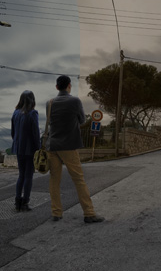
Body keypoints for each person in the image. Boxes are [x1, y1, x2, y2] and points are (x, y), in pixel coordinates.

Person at [46, 75, 104, 223]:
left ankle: (56, 213)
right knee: (79, 180)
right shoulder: (75, 101)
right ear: (69, 86)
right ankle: (89, 213)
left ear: (57, 87)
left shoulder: (50, 103)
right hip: (69, 146)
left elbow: (50, 121)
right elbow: (82, 120)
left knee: (54, 180)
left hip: (52, 146)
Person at [11, 90, 40, 212]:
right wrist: (38, 149)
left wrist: (18, 144)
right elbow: (36, 133)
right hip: (30, 149)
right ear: (32, 100)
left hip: (18, 148)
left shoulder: (15, 113)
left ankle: (17, 202)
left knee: (21, 175)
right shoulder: (32, 113)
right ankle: (25, 203)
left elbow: (13, 133)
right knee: (29, 176)